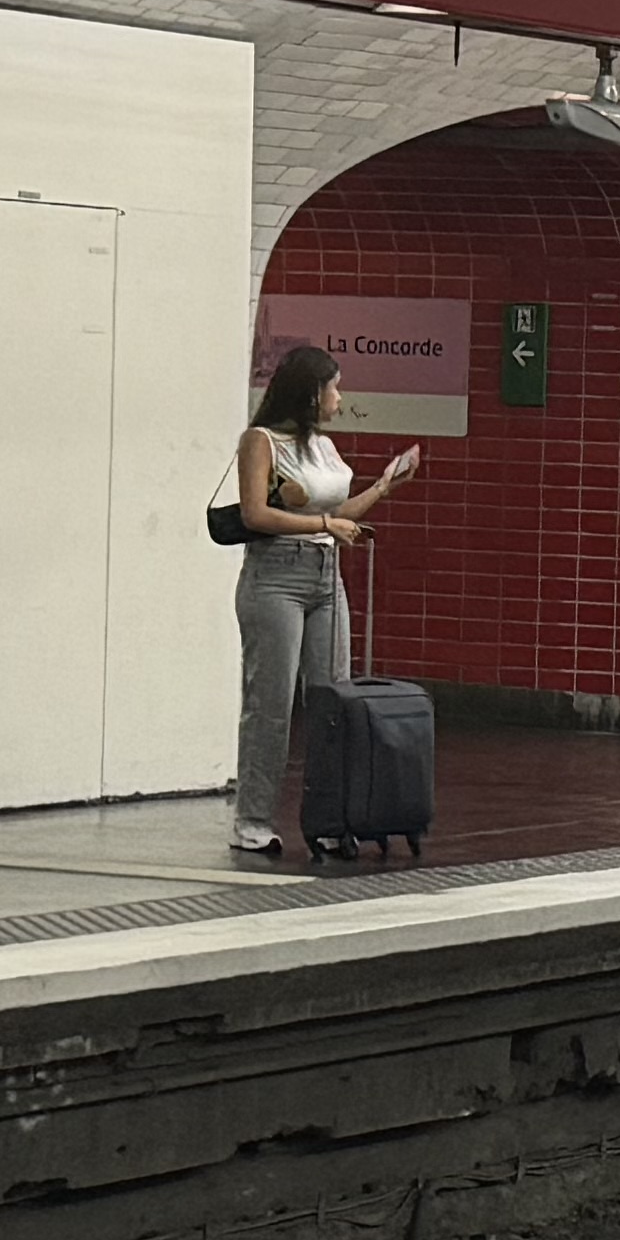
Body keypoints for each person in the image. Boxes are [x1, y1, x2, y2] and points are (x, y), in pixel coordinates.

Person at [227, 346, 416, 861]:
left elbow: (339, 511)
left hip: (327, 576)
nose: (340, 397)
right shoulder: (260, 441)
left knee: (334, 701)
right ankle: (252, 820)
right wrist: (326, 524)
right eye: (334, 387)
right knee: (271, 703)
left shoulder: (325, 447)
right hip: (275, 577)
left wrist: (383, 487)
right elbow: (255, 514)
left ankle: (331, 819)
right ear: (311, 392)